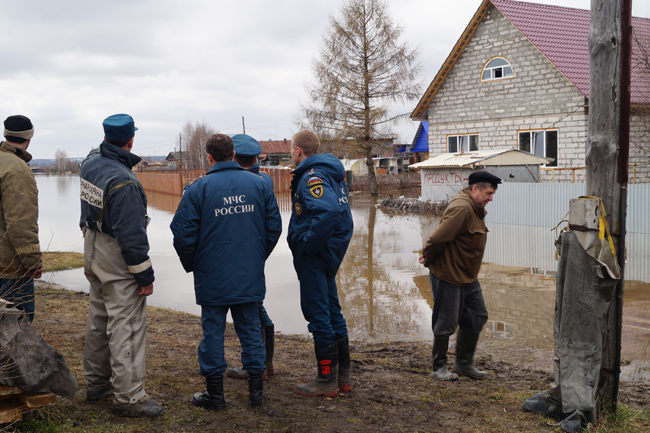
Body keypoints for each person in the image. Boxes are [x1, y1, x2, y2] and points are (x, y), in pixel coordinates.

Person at [170, 134, 281, 411]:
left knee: (213, 333)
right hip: (248, 272)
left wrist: (196, 263)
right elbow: (274, 228)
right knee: (250, 330)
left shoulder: (198, 189)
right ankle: (257, 395)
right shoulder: (259, 185)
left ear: (209, 157)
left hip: (213, 275)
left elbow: (182, 234)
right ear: (233, 153)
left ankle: (215, 396)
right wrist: (256, 257)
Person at [79, 114, 163, 417]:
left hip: (92, 243)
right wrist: (144, 275)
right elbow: (132, 235)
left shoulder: (90, 163)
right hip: (115, 253)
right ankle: (129, 397)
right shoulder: (124, 181)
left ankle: (97, 383)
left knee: (99, 318)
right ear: (131, 140)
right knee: (127, 323)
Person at [288, 130, 354, 398]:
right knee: (331, 308)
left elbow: (328, 212)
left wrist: (308, 245)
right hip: (329, 252)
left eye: (292, 149)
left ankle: (326, 379)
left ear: (297, 150)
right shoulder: (332, 173)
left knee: (317, 312)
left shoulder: (312, 176)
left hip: (316, 254)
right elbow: (345, 217)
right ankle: (343, 378)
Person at [419, 171, 501, 381]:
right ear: (474, 188)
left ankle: (463, 364)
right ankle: (439, 367)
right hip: (449, 274)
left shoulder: (475, 207)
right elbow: (438, 239)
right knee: (446, 322)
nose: (491, 198)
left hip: (468, 276)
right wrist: (427, 257)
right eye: (488, 193)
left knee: (477, 315)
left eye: (492, 194)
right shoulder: (462, 208)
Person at [226, 134, 280, 380]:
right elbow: (273, 226)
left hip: (238, 254)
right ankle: (265, 364)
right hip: (256, 253)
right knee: (257, 304)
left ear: (233, 156)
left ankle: (256, 365)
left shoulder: (241, 181)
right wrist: (261, 253)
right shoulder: (264, 180)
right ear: (257, 157)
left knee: (251, 308)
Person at [0, 115, 42, 322]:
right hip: (10, 267)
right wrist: (33, 261)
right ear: (29, 138)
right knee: (16, 327)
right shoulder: (17, 170)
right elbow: (20, 223)